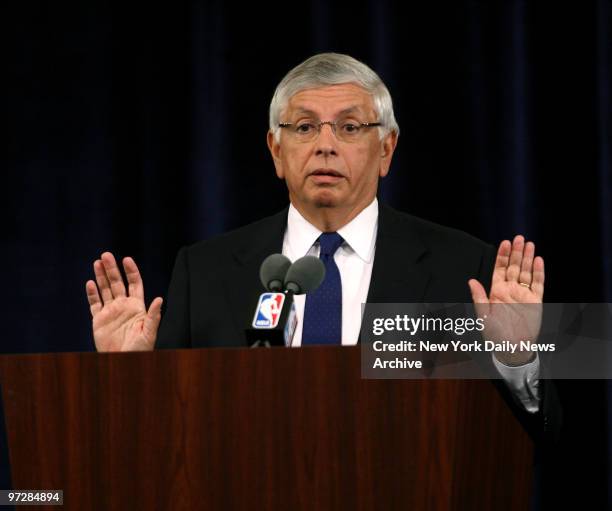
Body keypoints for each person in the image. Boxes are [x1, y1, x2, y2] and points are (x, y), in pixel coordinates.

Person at [85, 53, 557, 437]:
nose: (325, 145)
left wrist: (515, 357)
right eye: (305, 127)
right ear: (275, 150)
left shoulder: (464, 266)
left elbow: (547, 433)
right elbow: (162, 436)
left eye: (350, 127)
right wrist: (127, 377)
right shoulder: (205, 269)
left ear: (387, 149)